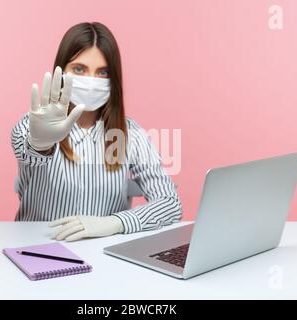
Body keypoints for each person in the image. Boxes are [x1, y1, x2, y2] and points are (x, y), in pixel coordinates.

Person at [11, 22, 182, 241]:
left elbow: (170, 203)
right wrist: (40, 144)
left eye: (102, 72)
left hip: (104, 257)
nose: (91, 81)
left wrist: (115, 222)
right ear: (61, 71)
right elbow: (25, 149)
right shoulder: (33, 125)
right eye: (80, 69)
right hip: (38, 250)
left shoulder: (131, 134)